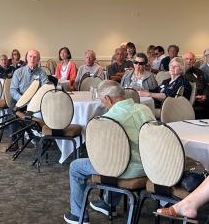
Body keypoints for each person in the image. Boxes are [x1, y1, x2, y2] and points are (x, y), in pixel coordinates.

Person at [63, 80, 155, 224]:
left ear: (107, 98)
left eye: (102, 101)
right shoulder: (145, 109)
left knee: (77, 166)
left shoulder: (109, 119)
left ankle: (78, 214)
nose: (102, 104)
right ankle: (108, 204)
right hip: (151, 167)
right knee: (117, 157)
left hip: (127, 170)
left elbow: (103, 155)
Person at [9, 49, 48, 150]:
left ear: (38, 59)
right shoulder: (19, 72)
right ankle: (14, 141)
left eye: (35, 57)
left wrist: (36, 101)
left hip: (36, 102)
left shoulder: (42, 73)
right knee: (12, 110)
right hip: (20, 100)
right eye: (30, 56)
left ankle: (40, 138)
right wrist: (23, 100)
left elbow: (46, 89)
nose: (32, 59)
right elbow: (13, 90)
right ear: (26, 58)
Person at [183, 52, 209, 118]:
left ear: (194, 61)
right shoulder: (180, 72)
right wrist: (195, 96)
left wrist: (205, 95)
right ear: (182, 60)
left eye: (191, 59)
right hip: (190, 100)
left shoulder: (199, 72)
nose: (189, 61)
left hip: (203, 99)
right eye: (186, 59)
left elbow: (205, 85)